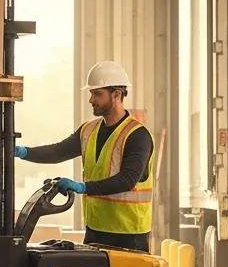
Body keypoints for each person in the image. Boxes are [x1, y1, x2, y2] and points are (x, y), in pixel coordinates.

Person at [15, 61, 154, 253]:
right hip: (95, 230)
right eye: (91, 94)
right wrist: (23, 152)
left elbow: (127, 180)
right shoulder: (88, 130)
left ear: (117, 95)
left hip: (129, 236)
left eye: (97, 94)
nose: (91, 100)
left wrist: (82, 187)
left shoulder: (137, 135)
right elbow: (58, 152)